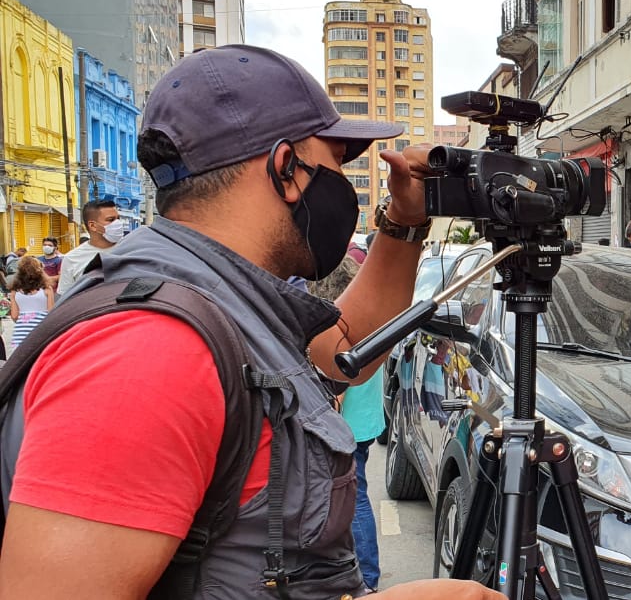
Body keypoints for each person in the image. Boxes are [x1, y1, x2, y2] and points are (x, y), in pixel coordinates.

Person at [0, 44, 501, 600]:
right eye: (337, 162)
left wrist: (404, 220)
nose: (344, 180)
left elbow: (347, 350)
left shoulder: (223, 300)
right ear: (287, 168)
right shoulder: (150, 352)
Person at [307, 256, 385, 591]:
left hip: (345, 428)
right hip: (364, 424)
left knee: (353, 502)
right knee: (356, 497)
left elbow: (335, 390)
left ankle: (366, 577)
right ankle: (366, 574)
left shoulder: (335, 331)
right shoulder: (366, 322)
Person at [57, 200, 126, 296]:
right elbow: (65, 298)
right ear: (93, 226)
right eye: (111, 220)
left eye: (118, 218)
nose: (118, 223)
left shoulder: (132, 249)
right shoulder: (72, 258)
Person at [7, 256, 55, 349]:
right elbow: (51, 313)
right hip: (41, 332)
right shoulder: (46, 289)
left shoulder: (15, 291)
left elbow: (14, 316)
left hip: (21, 334)